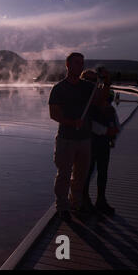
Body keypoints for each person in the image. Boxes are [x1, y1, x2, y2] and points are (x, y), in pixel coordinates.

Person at [48, 53, 110, 221]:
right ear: (68, 65)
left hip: (84, 139)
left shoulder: (88, 88)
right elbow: (54, 114)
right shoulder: (59, 88)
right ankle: (62, 206)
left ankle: (76, 203)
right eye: (77, 63)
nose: (80, 66)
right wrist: (70, 122)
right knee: (64, 175)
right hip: (66, 139)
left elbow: (102, 101)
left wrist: (105, 81)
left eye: (82, 64)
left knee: (80, 176)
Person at [81, 70, 119, 215]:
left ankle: (101, 200)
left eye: (94, 80)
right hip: (89, 141)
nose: (92, 84)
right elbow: (88, 121)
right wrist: (107, 132)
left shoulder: (99, 97)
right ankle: (84, 200)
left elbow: (112, 116)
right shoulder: (84, 98)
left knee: (103, 172)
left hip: (103, 142)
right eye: (88, 80)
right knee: (87, 172)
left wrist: (113, 134)